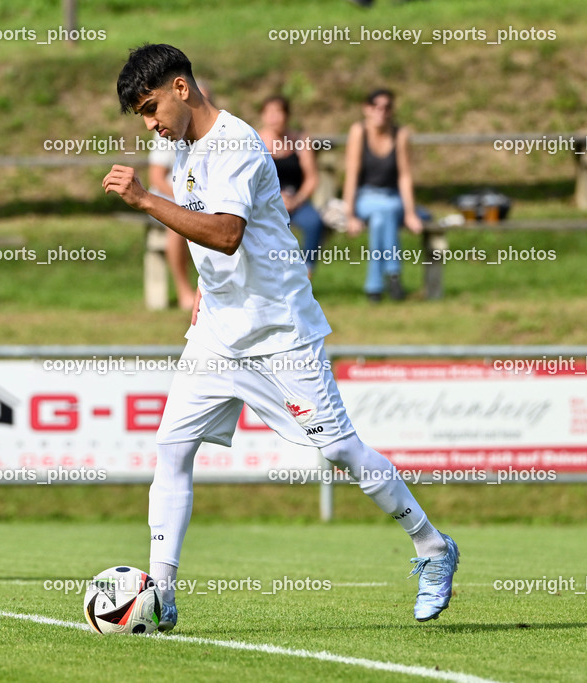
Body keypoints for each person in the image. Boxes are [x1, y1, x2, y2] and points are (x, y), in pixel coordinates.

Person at [102, 44, 457, 631]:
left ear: (181, 88)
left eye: (151, 107)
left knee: (339, 451)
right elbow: (210, 252)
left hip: (281, 333)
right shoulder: (185, 148)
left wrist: (145, 199)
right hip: (217, 337)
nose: (150, 124)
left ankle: (432, 547)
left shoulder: (237, 144)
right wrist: (203, 302)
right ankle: (160, 594)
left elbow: (224, 234)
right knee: (171, 449)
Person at [342, 88, 422, 301]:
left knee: (380, 219)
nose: (381, 112)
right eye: (376, 106)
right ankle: (393, 275)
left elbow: (405, 176)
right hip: (365, 197)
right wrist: (349, 214)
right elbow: (351, 173)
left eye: (387, 107)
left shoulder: (400, 135)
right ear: (366, 108)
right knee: (382, 212)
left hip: (392, 197)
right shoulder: (359, 132)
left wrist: (411, 212)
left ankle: (374, 287)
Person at [147, 80, 211, 310]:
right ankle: (185, 290)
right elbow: (156, 177)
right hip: (170, 196)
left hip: (200, 200)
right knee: (178, 223)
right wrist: (183, 199)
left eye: (204, 101)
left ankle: (208, 289)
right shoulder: (166, 129)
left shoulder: (222, 134)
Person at [256, 95, 327, 277]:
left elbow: (312, 178)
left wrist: (297, 199)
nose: (274, 118)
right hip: (267, 202)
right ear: (263, 116)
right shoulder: (254, 141)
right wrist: (276, 199)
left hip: (297, 201)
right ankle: (272, 274)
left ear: (287, 115)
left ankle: (306, 270)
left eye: (278, 113)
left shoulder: (300, 140)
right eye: (269, 113)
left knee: (314, 222)